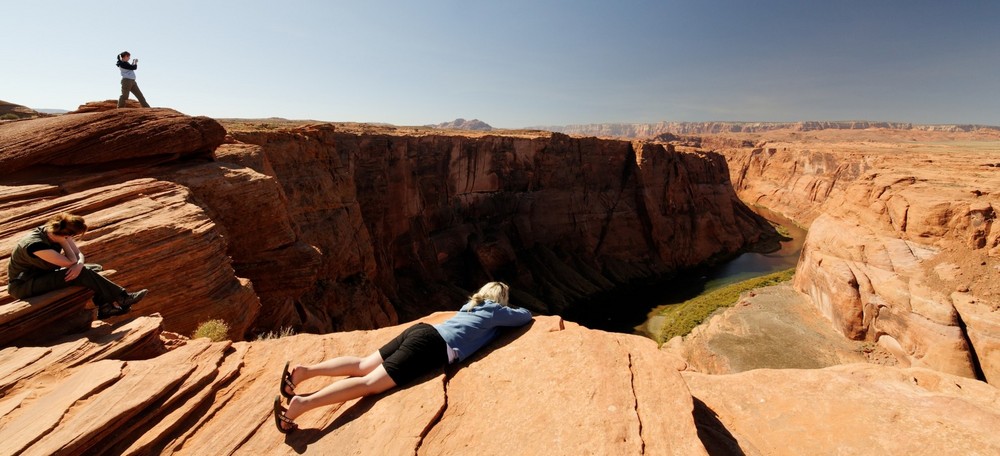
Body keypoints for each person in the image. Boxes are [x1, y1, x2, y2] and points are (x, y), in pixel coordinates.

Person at [273, 281, 532, 433]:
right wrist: (505, 310)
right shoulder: (496, 310)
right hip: (432, 346)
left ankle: (304, 372)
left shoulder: (470, 305)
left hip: (422, 330)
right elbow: (524, 316)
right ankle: (300, 406)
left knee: (363, 365)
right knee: (369, 385)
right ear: (499, 299)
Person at [6, 213, 148, 319]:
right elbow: (70, 261)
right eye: (70, 236)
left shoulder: (53, 232)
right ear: (64, 233)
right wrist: (67, 247)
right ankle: (122, 297)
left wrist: (79, 265)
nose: (71, 239)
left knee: (94, 268)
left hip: (41, 275)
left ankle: (105, 306)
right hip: (24, 285)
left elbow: (78, 255)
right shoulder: (35, 245)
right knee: (83, 273)